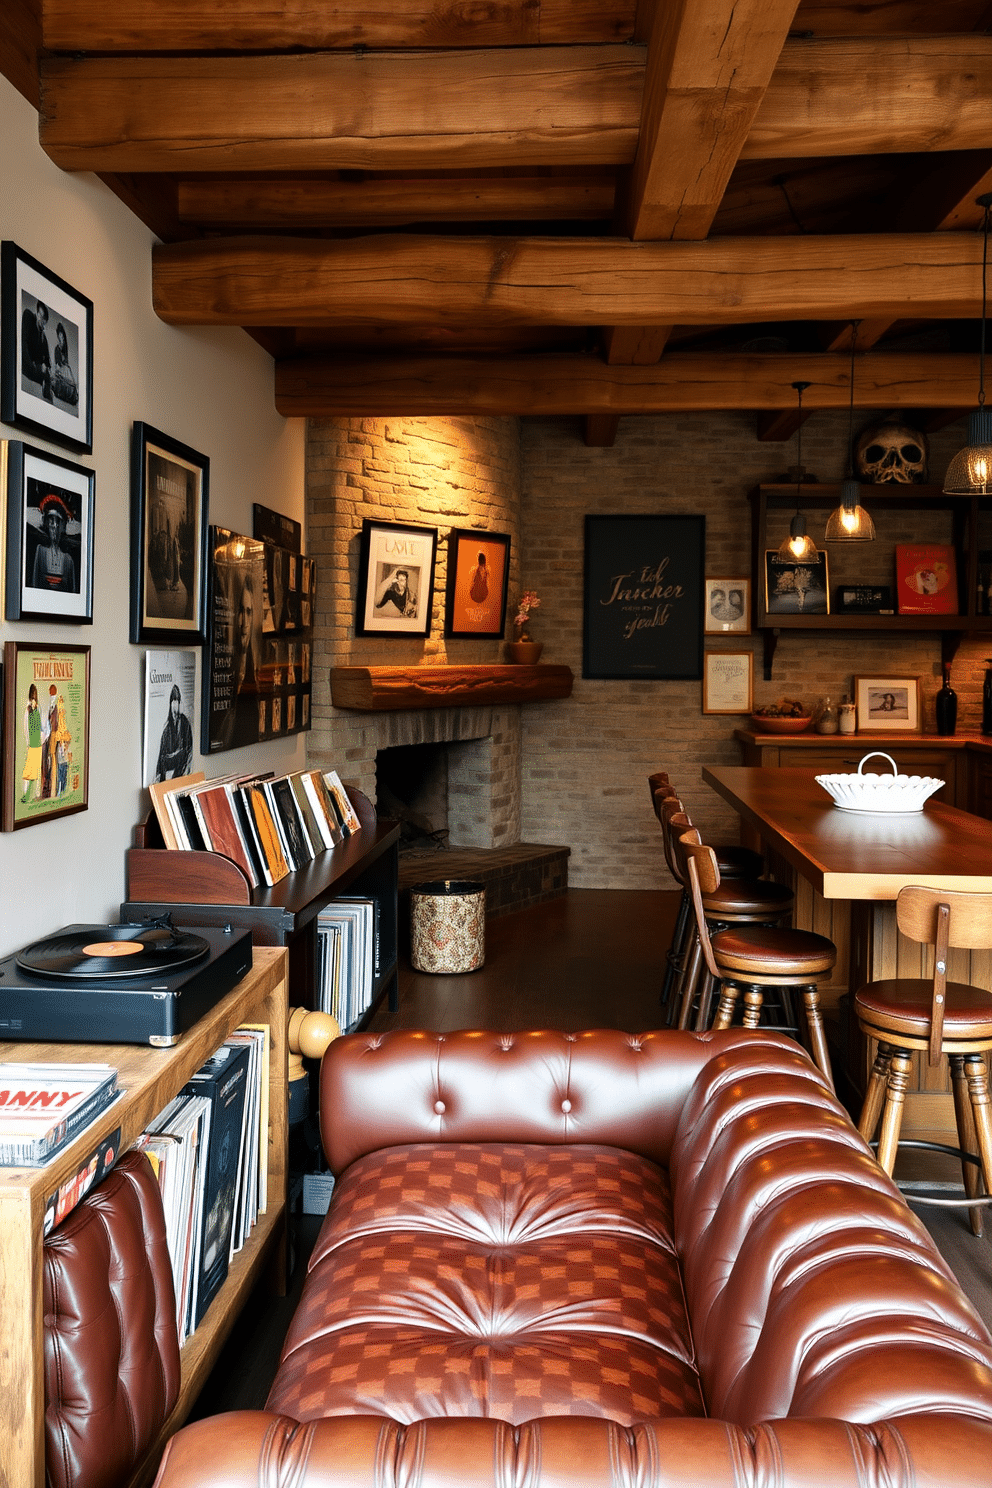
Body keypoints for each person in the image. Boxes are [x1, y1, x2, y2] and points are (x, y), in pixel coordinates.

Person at [31, 492, 77, 593]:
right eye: (51, 520)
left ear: (63, 527)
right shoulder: (40, 551)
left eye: (58, 521)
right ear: (46, 524)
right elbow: (34, 586)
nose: (54, 526)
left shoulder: (68, 560)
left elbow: (73, 593)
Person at [154, 683, 193, 781]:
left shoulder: (184, 722)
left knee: (183, 754)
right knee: (163, 761)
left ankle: (174, 781)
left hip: (181, 758)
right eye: (173, 701)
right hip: (170, 760)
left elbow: (189, 747)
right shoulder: (167, 728)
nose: (175, 704)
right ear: (170, 703)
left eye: (177, 701)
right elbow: (162, 755)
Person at [21, 297, 52, 401]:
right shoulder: (28, 316)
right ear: (37, 314)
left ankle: (46, 385)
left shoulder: (43, 337)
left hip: (37, 366)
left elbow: (46, 359)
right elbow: (23, 342)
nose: (42, 321)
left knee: (48, 375)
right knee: (40, 373)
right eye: (41, 317)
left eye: (44, 320)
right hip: (26, 361)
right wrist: (32, 364)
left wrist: (45, 365)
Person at [21, 684, 41, 803]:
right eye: (32, 694)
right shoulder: (27, 709)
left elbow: (41, 726)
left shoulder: (38, 708)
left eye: (35, 694)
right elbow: (25, 728)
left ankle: (36, 794)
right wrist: (28, 743)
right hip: (32, 744)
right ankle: (25, 794)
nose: (34, 696)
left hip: (37, 743)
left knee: (36, 770)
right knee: (28, 771)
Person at [51, 323, 78, 405]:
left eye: (62, 336)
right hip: (60, 370)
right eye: (60, 336)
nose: (61, 338)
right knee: (62, 373)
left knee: (68, 370)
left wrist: (66, 366)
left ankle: (73, 394)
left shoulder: (65, 349)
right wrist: (62, 367)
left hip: (65, 370)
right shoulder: (57, 348)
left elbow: (66, 362)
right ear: (58, 337)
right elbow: (57, 364)